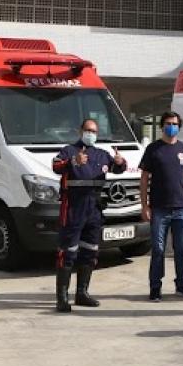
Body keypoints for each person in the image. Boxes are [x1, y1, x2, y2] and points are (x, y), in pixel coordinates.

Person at [50, 118, 128, 313]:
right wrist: (73, 161)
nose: (90, 134)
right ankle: (62, 297)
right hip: (73, 208)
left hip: (94, 208)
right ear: (80, 131)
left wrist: (120, 162)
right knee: (67, 252)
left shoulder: (102, 155)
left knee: (91, 251)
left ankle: (82, 293)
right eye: (87, 130)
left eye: (93, 131)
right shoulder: (69, 150)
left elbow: (118, 168)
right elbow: (56, 166)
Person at [139, 110, 183, 302]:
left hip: (181, 208)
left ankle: (181, 284)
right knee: (158, 250)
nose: (171, 126)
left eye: (174, 123)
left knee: (181, 249)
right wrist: (144, 205)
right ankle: (155, 286)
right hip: (159, 209)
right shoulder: (153, 149)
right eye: (167, 123)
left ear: (179, 126)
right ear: (162, 126)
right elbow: (144, 177)